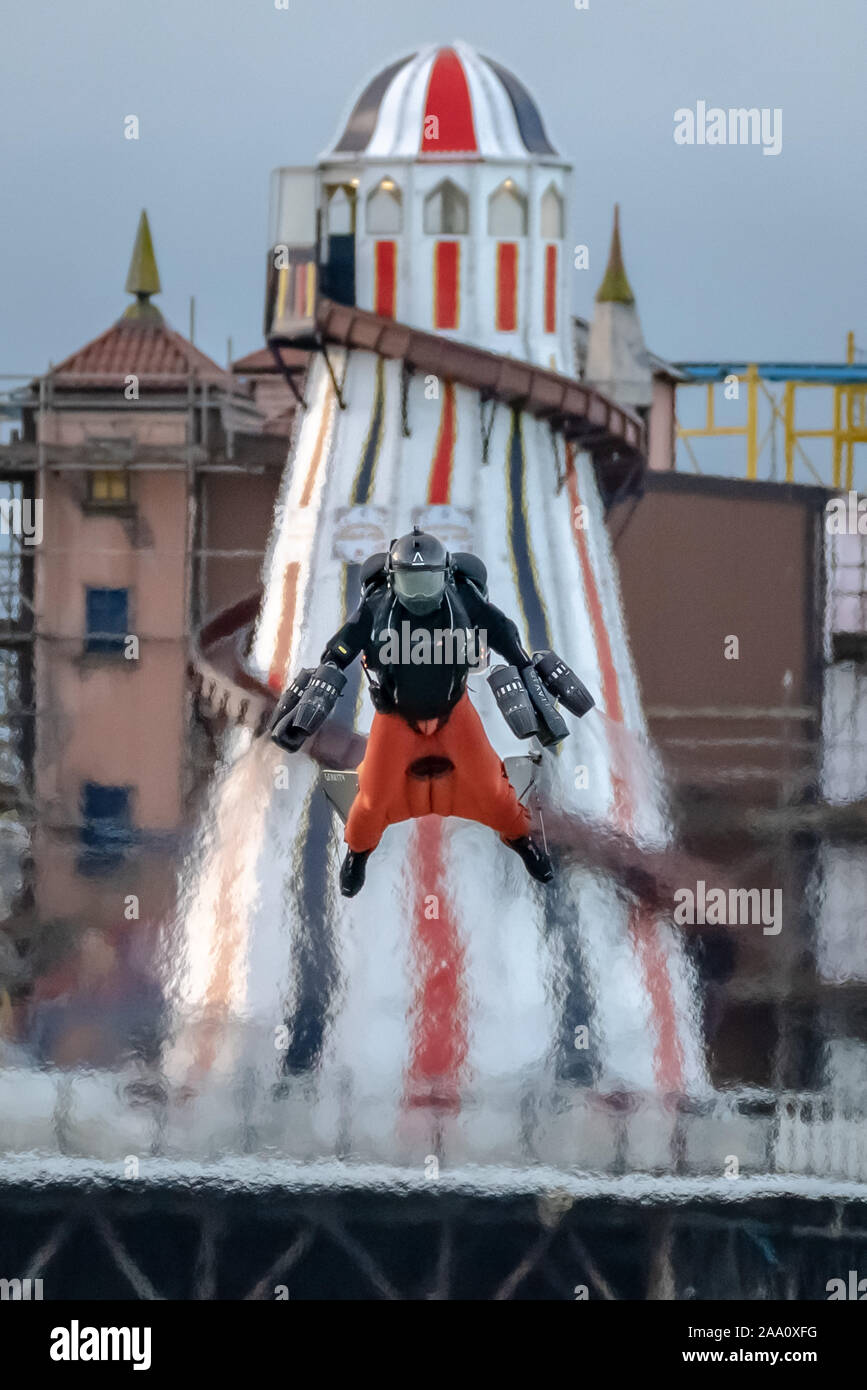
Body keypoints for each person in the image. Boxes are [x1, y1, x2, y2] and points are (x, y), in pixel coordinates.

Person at [271, 527, 594, 897]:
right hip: (397, 719)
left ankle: (524, 843)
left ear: (444, 575)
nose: (420, 594)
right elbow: (341, 648)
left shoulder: (460, 600)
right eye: (411, 583)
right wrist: (325, 672)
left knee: (494, 791)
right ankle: (358, 854)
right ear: (394, 580)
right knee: (371, 801)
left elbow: (502, 629)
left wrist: (522, 660)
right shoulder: (379, 607)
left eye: (428, 582)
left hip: (453, 713)